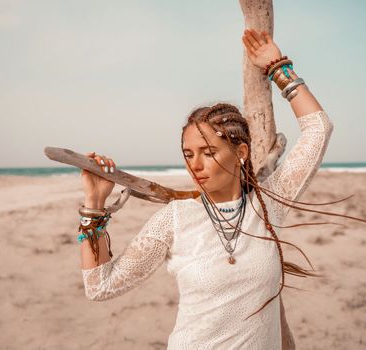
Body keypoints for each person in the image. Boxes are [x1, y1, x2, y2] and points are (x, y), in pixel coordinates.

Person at [78, 28, 333, 349]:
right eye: (188, 154)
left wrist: (278, 68)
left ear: (240, 153)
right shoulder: (175, 219)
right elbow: (100, 286)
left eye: (208, 152)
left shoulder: (270, 202)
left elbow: (318, 129)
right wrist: (94, 205)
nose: (195, 165)